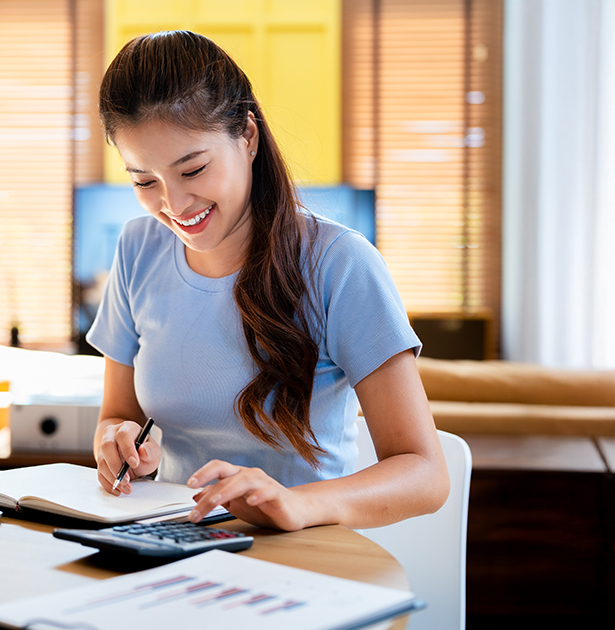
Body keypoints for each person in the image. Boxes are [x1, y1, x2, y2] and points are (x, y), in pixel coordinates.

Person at [87, 31, 449, 532]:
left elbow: (425, 474)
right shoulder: (136, 249)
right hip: (171, 547)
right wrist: (117, 442)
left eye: (193, 168)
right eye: (144, 181)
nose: (173, 204)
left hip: (301, 558)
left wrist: (299, 504)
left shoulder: (339, 264)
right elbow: (118, 414)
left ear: (248, 137)